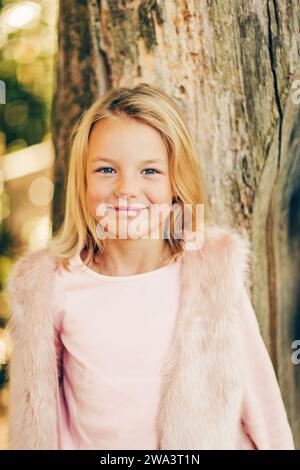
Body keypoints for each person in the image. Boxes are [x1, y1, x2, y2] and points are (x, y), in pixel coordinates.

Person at [5, 83, 295, 450]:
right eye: (107, 169)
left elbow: (264, 410)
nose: (126, 189)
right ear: (82, 180)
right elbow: (32, 415)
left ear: (176, 182)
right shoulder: (53, 285)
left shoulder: (209, 275)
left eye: (150, 171)